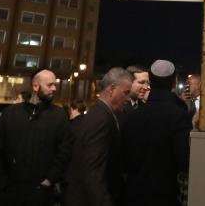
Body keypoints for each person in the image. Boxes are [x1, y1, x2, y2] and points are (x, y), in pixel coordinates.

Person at [0, 68, 71, 206]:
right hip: (8, 194)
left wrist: (49, 180)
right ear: (35, 86)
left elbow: (64, 152)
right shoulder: (11, 114)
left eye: (54, 84)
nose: (55, 88)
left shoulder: (59, 116)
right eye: (50, 85)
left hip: (40, 195)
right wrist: (1, 181)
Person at [121, 59, 192, 206]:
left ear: (151, 82)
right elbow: (184, 160)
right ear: (173, 82)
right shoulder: (178, 114)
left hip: (133, 194)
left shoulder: (133, 115)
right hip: (165, 195)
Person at [64, 67, 133, 206]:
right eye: (125, 93)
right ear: (112, 89)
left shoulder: (102, 113)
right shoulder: (101, 119)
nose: (127, 98)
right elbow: (93, 172)